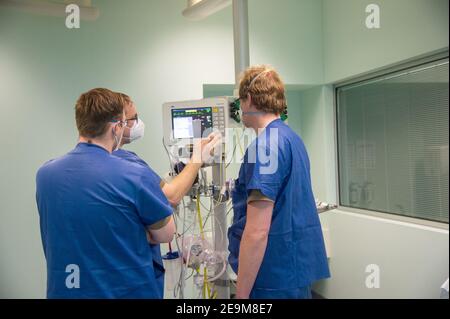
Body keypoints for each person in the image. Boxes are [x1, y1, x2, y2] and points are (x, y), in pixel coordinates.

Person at [36, 88, 176, 298]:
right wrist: (135, 231)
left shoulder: (45, 175)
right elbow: (165, 234)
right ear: (117, 127)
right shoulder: (134, 174)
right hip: (125, 291)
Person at [228, 66, 330, 299]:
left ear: (249, 100)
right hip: (292, 272)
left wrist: (241, 296)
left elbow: (257, 231)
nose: (240, 108)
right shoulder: (292, 138)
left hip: (272, 278)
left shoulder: (265, 147)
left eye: (240, 102)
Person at [113, 93, 220, 298]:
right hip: (133, 276)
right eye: (133, 118)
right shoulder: (131, 166)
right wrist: (197, 158)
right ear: (118, 124)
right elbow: (171, 197)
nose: (138, 123)